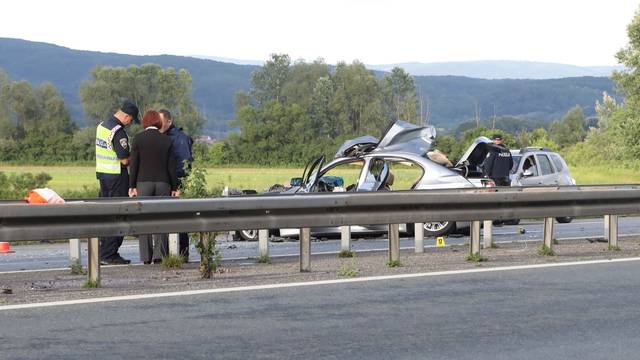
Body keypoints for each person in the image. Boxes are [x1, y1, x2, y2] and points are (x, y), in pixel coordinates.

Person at [129, 110, 179, 264]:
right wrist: (175, 187)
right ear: (158, 122)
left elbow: (134, 164)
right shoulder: (167, 141)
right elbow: (172, 167)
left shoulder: (138, 139)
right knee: (161, 219)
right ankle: (159, 255)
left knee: (144, 219)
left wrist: (132, 186)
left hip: (143, 182)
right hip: (163, 183)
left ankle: (145, 257)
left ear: (145, 122)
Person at [95, 101, 139, 265]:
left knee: (107, 215)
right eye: (132, 120)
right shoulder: (118, 131)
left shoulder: (102, 125)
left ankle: (103, 251)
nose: (131, 123)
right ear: (126, 116)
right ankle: (110, 253)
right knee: (118, 215)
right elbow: (125, 159)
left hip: (103, 176)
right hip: (116, 177)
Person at [159, 109, 193, 261]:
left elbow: (184, 165)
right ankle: (171, 252)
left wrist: (178, 186)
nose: (158, 125)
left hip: (177, 184)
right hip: (168, 183)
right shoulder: (164, 136)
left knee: (180, 218)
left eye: (161, 122)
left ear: (169, 121)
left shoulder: (179, 138)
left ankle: (183, 253)